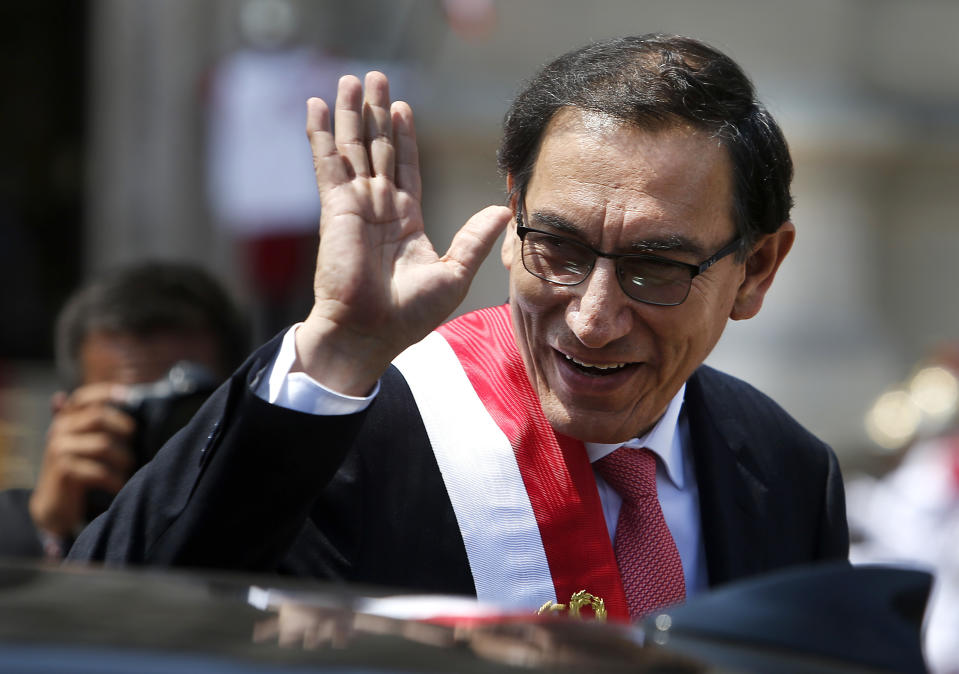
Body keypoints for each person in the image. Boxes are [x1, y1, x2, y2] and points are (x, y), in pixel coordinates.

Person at [69, 34, 848, 622]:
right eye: (559, 248)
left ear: (756, 270)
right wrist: (337, 348)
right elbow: (109, 622)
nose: (592, 318)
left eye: (656, 267)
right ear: (512, 219)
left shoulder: (785, 472)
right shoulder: (353, 435)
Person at [0, 262, 247, 560]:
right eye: (134, 408)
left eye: (188, 409)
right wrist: (51, 531)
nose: (166, 439)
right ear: (66, 415)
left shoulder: (284, 527)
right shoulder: (12, 534)